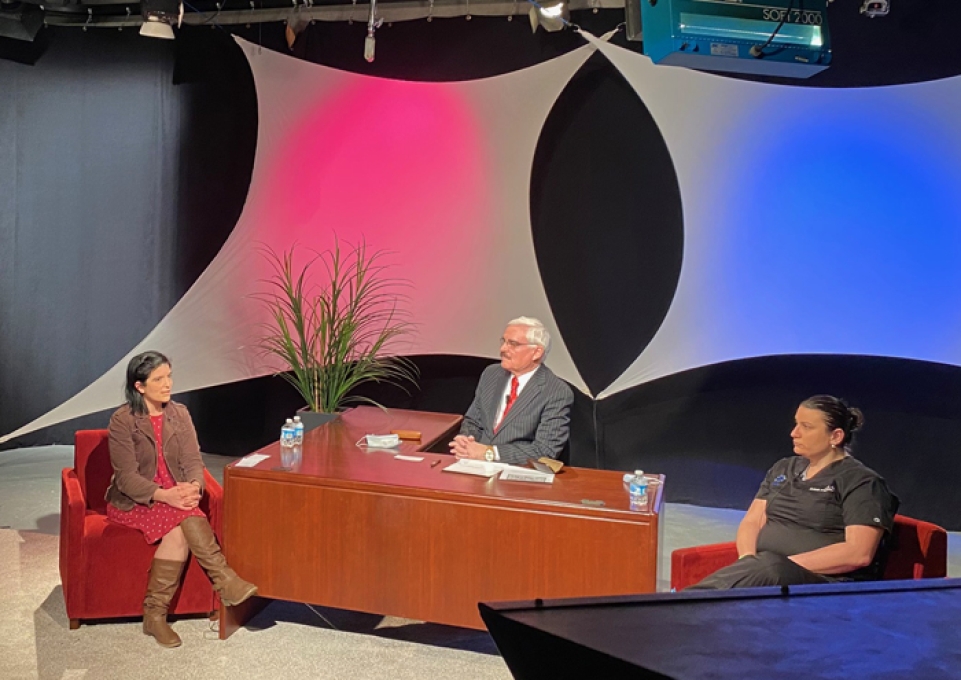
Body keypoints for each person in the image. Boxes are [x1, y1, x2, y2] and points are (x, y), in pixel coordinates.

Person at [106, 350, 257, 648]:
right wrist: (166, 495)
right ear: (139, 386)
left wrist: (193, 488)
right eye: (158, 379)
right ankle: (224, 579)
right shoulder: (122, 420)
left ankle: (154, 616)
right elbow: (126, 478)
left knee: (179, 527)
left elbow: (192, 460)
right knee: (182, 518)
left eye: (169, 377)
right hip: (136, 499)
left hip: (176, 496)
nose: (167, 384)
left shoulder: (180, 413)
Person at [688, 395, 899, 590]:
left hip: (825, 583)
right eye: (796, 424)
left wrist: (779, 565)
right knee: (767, 567)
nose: (794, 433)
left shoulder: (862, 482)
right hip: (766, 570)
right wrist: (748, 560)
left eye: (806, 427)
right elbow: (753, 521)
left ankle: (682, 607)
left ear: (835, 436)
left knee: (771, 567)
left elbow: (858, 553)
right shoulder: (784, 468)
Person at [449, 317, 574, 465]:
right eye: (504, 342)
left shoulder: (556, 391)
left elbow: (545, 451)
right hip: (476, 465)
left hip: (519, 473)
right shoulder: (491, 374)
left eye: (513, 344)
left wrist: (489, 453)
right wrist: (466, 442)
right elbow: (473, 421)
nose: (503, 349)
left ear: (537, 352)